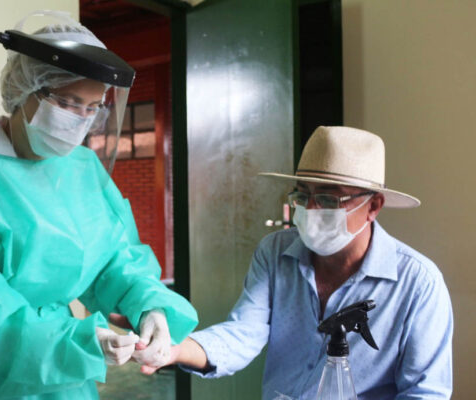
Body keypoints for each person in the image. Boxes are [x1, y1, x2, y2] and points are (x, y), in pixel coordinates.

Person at [0, 11, 197, 400]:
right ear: (24, 91)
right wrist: (77, 343)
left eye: (92, 107)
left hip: (64, 379)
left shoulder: (81, 168)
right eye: (67, 102)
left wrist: (150, 306)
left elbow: (112, 260)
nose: (80, 119)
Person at [135, 126, 453, 399]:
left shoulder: (417, 285)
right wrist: (173, 350)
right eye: (303, 196)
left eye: (328, 199)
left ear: (374, 206)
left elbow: (426, 392)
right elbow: (242, 334)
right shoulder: (275, 253)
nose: (311, 210)